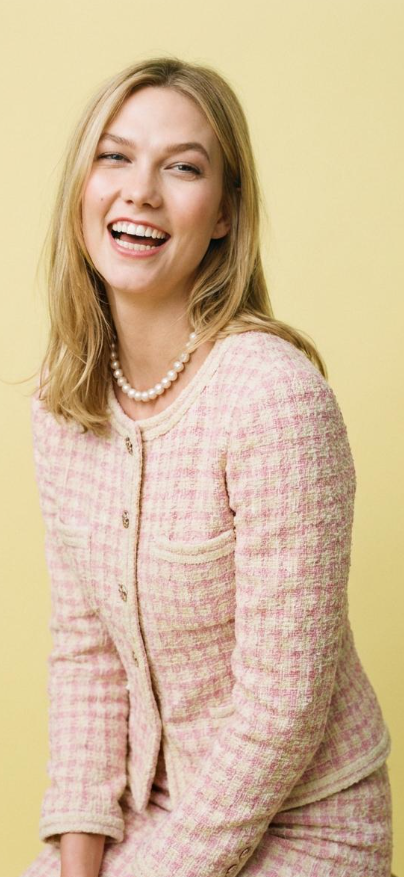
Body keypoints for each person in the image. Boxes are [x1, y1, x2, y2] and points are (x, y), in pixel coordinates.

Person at [21, 57, 393, 877]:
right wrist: (78, 864)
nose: (140, 192)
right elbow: (88, 654)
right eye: (114, 157)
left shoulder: (274, 401)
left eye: (182, 167)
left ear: (224, 213)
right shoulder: (64, 400)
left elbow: (282, 710)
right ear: (82, 186)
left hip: (302, 823)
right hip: (145, 812)